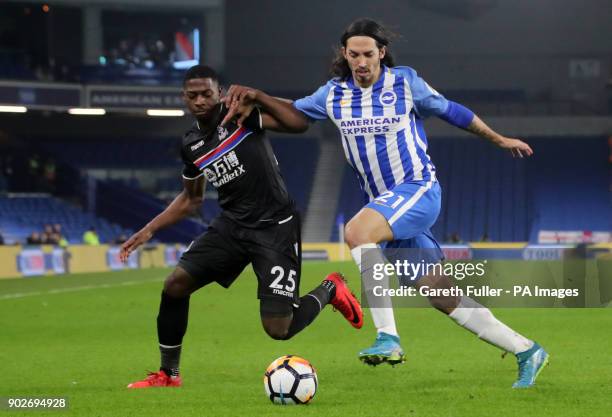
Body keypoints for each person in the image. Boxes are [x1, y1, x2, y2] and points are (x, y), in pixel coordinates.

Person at [221, 19, 548, 388]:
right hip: (384, 204)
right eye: (354, 54)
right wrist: (253, 106)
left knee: (358, 232)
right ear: (345, 55)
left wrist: (498, 138)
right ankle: (527, 350)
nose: (362, 62)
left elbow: (452, 111)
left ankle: (388, 338)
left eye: (368, 54)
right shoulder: (333, 94)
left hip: (418, 189)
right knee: (442, 294)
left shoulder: (404, 82)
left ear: (382, 54)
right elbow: (295, 116)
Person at [120, 65, 363, 389]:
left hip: (275, 226)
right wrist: (150, 229)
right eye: (192, 95)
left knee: (279, 328)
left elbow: (299, 123)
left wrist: (259, 96)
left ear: (219, 93)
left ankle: (331, 288)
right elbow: (191, 199)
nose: (200, 100)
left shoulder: (240, 115)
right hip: (232, 226)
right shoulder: (191, 144)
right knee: (175, 285)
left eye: (207, 93)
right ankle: (168, 374)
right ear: (184, 98)